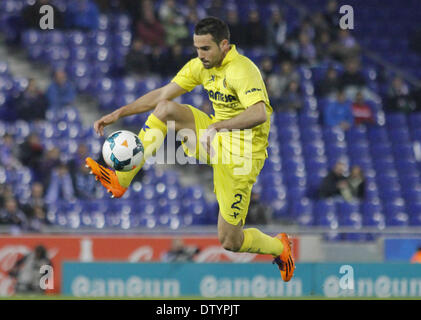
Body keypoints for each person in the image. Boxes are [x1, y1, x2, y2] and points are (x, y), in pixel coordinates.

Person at [85, 17, 295, 282]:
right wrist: (120, 112)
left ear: (224, 45)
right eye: (197, 48)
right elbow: (162, 94)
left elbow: (260, 112)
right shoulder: (201, 66)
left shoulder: (242, 70)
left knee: (230, 241)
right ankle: (121, 179)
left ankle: (280, 247)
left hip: (242, 157)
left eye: (205, 49)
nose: (200, 55)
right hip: (214, 138)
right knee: (165, 109)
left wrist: (219, 127)